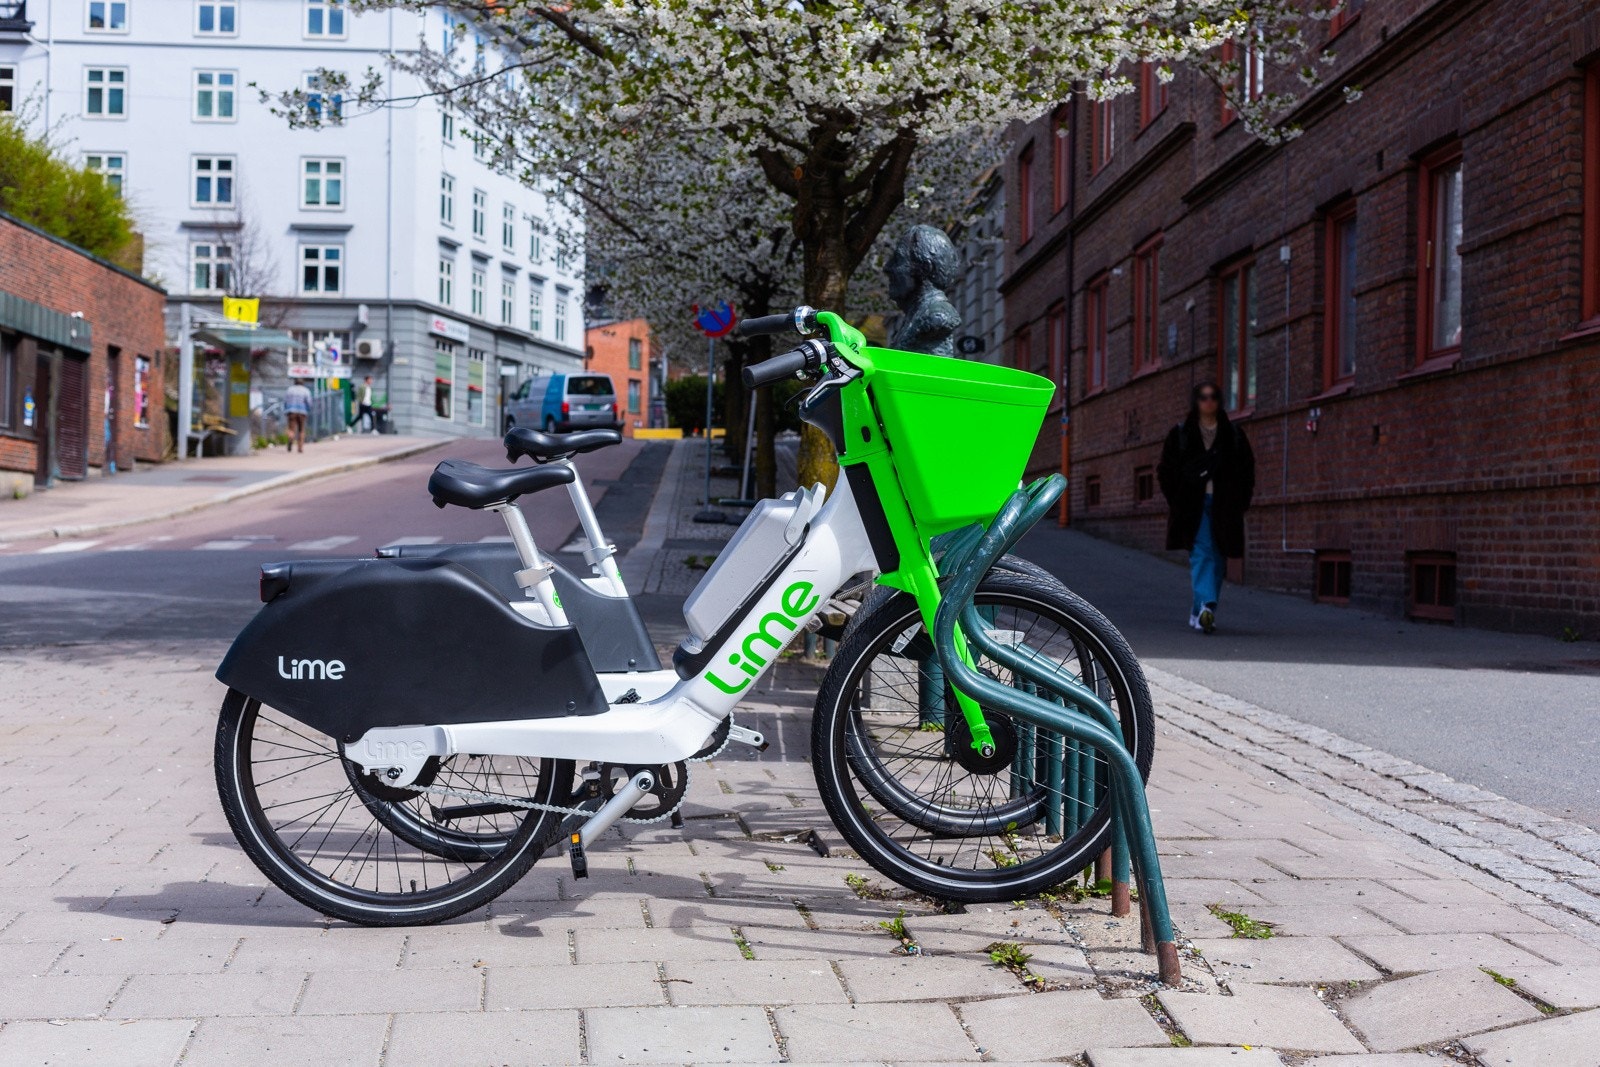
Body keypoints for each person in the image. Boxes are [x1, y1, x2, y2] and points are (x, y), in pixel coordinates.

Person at [1157, 381, 1255, 634]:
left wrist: (1241, 502)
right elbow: (1165, 471)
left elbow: (1247, 471)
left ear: (1219, 401)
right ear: (1196, 401)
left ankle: (1199, 611)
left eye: (1213, 397)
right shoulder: (1181, 433)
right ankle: (1208, 605)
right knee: (1202, 553)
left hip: (1225, 506)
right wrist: (1176, 500)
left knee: (1219, 558)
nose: (1208, 401)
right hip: (1192, 505)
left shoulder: (1233, 434)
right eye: (1203, 397)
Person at [283, 380, 312, 454]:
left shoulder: (290, 390)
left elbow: (285, 401)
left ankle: (290, 438)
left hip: (291, 411)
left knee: (291, 428)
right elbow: (309, 402)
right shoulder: (306, 390)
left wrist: (286, 409)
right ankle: (300, 447)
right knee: (301, 429)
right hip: (302, 412)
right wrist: (308, 409)